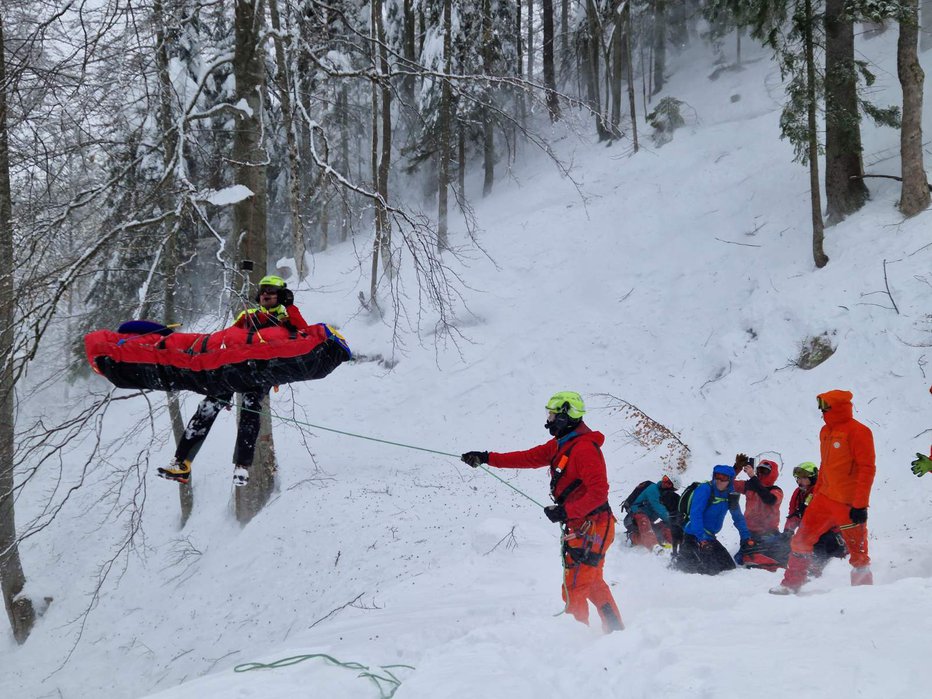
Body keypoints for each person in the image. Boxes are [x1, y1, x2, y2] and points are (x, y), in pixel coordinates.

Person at [460, 391, 624, 633]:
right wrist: (486, 458)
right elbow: (528, 457)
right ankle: (616, 632)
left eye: (552, 414)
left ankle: (576, 640)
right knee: (590, 582)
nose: (548, 420)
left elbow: (598, 493)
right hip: (585, 525)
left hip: (594, 525)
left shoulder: (584, 449)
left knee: (575, 586)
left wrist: (566, 511)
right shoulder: (562, 444)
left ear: (566, 415)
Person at [158, 275, 309, 487]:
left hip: (260, 374)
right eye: (263, 289)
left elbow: (305, 333)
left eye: (272, 291)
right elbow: (229, 341)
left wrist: (290, 307)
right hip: (234, 369)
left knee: (250, 410)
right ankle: (182, 463)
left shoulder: (286, 319)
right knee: (207, 408)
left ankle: (242, 466)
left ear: (281, 295)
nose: (266, 294)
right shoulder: (247, 316)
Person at [770, 390, 876, 594]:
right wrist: (815, 493)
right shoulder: (825, 431)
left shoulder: (859, 431)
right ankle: (791, 584)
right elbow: (825, 465)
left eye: (825, 406)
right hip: (824, 498)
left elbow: (867, 469)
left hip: (848, 503)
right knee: (801, 539)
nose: (821, 411)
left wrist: (860, 504)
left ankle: (864, 594)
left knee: (858, 551)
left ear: (836, 406)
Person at [673, 465, 751, 575]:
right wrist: (702, 539)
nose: (719, 480)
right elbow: (696, 514)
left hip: (710, 538)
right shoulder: (705, 489)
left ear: (730, 480)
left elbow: (737, 517)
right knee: (709, 571)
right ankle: (682, 559)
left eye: (723, 478)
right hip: (695, 536)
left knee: (728, 568)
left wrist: (746, 537)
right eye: (717, 476)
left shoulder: (730, 494)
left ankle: (686, 558)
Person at [780, 461, 846, 575]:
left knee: (817, 541)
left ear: (813, 477)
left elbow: (827, 517)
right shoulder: (798, 493)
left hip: (831, 534)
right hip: (810, 531)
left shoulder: (822, 492)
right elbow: (793, 514)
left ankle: (816, 567)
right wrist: (788, 530)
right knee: (791, 541)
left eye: (803, 478)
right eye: (798, 478)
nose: (800, 481)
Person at [731, 455, 783, 568]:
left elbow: (769, 499)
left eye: (765, 471)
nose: (761, 473)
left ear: (772, 473)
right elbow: (727, 483)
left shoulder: (776, 490)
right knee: (742, 557)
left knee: (784, 551)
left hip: (770, 533)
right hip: (750, 533)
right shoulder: (749, 485)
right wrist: (737, 467)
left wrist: (753, 477)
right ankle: (760, 560)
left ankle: (767, 561)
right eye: (759, 470)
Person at [624, 475, 678, 552]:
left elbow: (668, 513)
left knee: (664, 526)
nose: (664, 482)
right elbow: (659, 509)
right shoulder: (653, 489)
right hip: (632, 521)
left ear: (673, 489)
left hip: (647, 525)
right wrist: (672, 521)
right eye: (665, 479)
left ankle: (633, 537)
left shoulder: (665, 496)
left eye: (668, 483)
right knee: (645, 519)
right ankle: (654, 545)